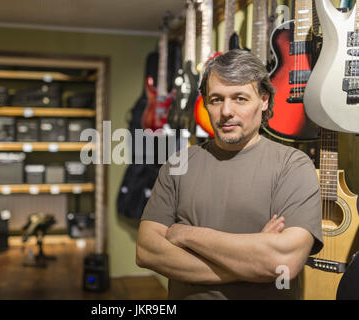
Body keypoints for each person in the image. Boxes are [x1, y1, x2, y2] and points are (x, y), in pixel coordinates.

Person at [136, 50, 323, 300]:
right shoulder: (178, 164)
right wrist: (253, 260)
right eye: (216, 99)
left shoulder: (293, 166)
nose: (226, 111)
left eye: (240, 99)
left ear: (264, 101)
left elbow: (283, 262)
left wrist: (187, 234)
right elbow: (147, 251)